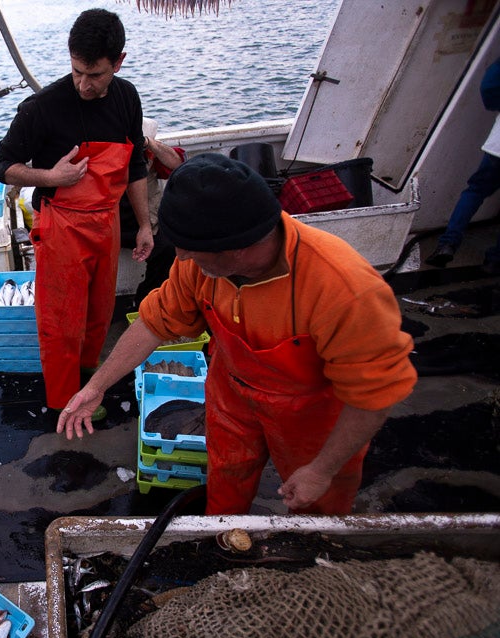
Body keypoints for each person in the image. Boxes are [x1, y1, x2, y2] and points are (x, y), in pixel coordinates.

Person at [58, 153, 417, 515]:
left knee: (317, 503)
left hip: (311, 416)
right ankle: (224, 534)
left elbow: (374, 396)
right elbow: (154, 321)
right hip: (231, 394)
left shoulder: (345, 289)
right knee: (225, 479)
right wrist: (97, 386)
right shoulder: (196, 266)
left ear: (238, 247)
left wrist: (322, 470)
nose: (181, 256)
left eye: (191, 250)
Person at [0, 8, 152, 419]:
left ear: (118, 63)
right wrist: (50, 175)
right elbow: (2, 165)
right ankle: (64, 401)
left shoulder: (127, 97)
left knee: (98, 314)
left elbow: (135, 165)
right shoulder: (42, 108)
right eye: (77, 70)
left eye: (95, 74)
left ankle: (88, 381)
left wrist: (146, 223)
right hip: (61, 224)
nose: (84, 83)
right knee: (61, 323)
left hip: (107, 221)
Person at [425, 57, 500, 274]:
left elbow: (490, 86)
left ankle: (448, 244)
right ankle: (494, 261)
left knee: (475, 192)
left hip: (497, 149)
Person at [119, 118, 185, 306]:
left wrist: (149, 143)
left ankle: (147, 302)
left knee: (168, 247)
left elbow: (178, 163)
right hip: (111, 222)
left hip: (148, 221)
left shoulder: (148, 150)